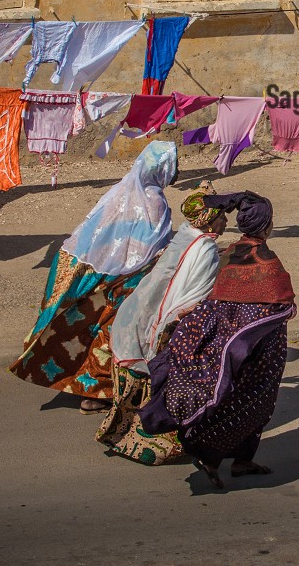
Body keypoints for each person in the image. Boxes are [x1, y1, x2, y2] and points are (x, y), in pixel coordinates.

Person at [138, 191, 295, 489]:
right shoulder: (268, 262)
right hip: (260, 348)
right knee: (256, 401)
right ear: (267, 226)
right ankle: (211, 455)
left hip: (230, 342)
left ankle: (242, 460)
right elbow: (283, 302)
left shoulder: (230, 252)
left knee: (234, 398)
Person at [10, 141, 177, 413]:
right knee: (116, 334)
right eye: (174, 166)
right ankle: (100, 394)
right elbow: (149, 252)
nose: (176, 172)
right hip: (126, 282)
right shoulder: (155, 202)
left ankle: (84, 384)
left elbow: (93, 232)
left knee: (90, 328)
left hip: (101, 273)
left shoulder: (119, 191)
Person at [95, 183, 229, 464]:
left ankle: (122, 437)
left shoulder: (186, 236)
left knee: (134, 394)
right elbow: (195, 295)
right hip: (156, 326)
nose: (226, 220)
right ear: (208, 221)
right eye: (221, 215)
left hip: (136, 318)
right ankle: (152, 445)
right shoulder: (205, 250)